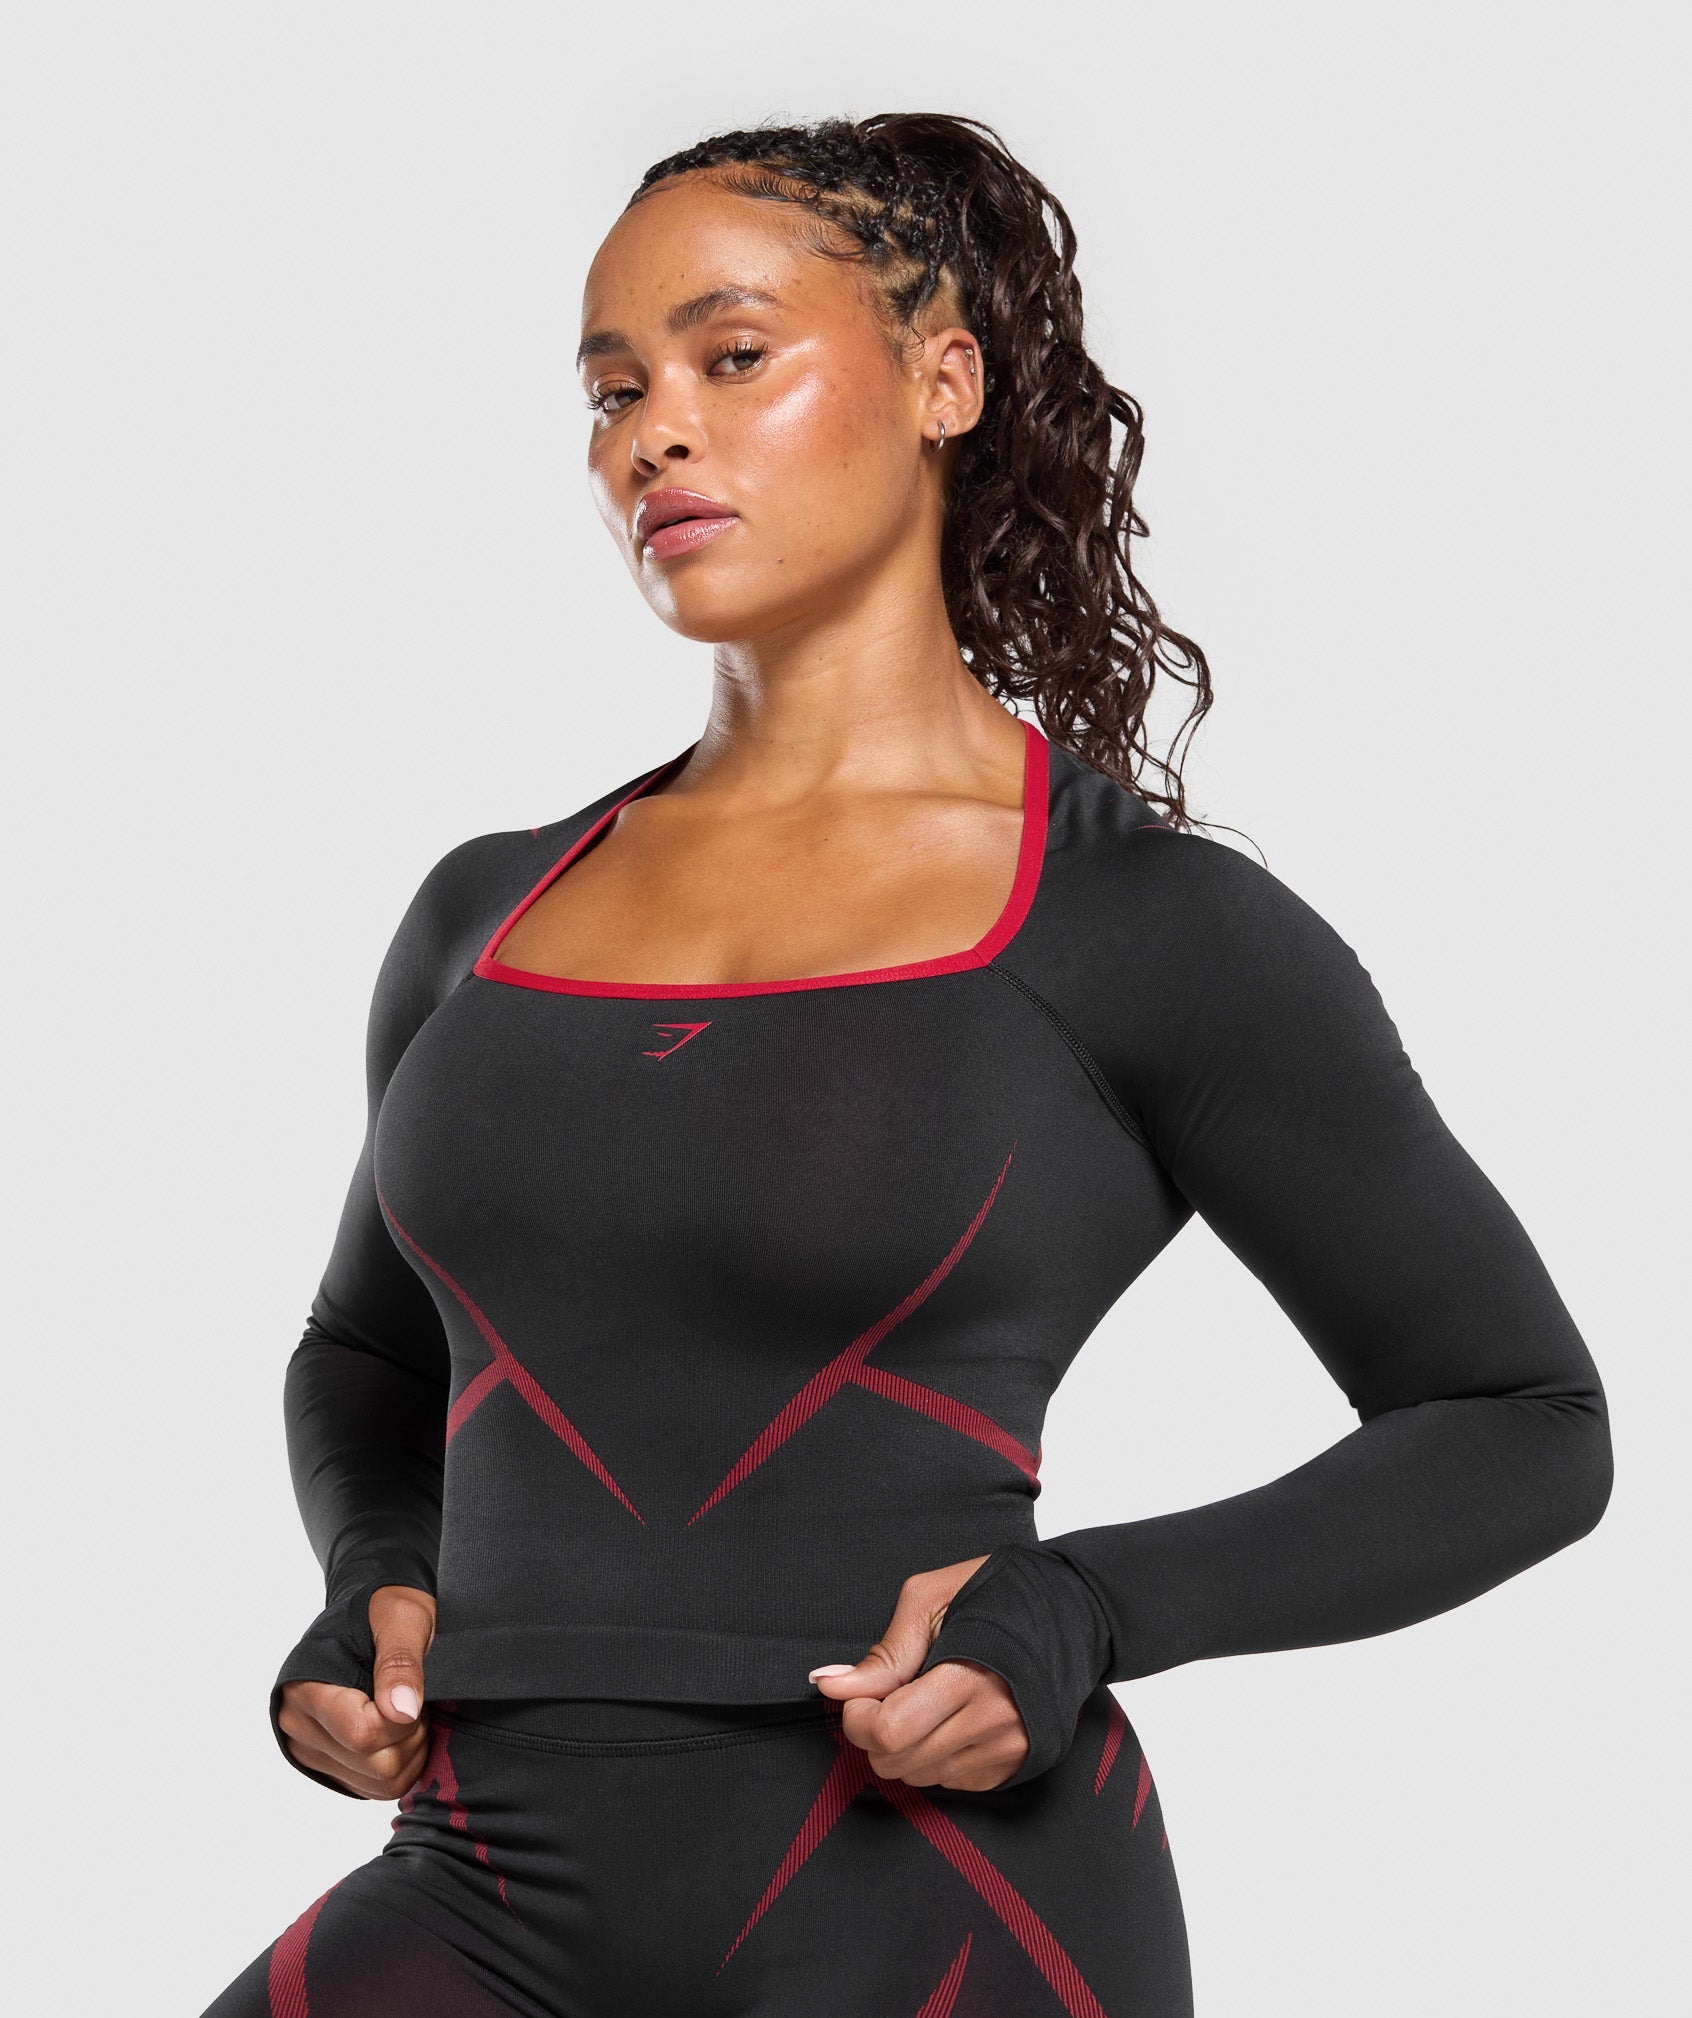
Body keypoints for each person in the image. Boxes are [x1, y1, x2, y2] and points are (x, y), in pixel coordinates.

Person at [203, 114, 1612, 2018]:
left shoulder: (1141, 926)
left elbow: (1524, 1417)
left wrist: (1086, 1605)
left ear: (944, 380)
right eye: (612, 391)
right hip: (479, 1883)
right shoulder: (487, 911)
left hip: (944, 1905)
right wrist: (371, 1570)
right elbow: (365, 1355)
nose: (654, 435)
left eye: (732, 356)